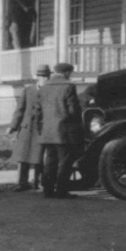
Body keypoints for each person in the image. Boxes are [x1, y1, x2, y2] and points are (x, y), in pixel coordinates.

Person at [32, 61, 84, 198]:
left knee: (50, 161)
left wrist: (40, 129)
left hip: (47, 131)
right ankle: (62, 191)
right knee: (65, 161)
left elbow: (37, 112)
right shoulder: (69, 86)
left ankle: (48, 190)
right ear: (67, 73)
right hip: (64, 131)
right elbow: (73, 110)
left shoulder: (44, 87)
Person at [8, 65, 50, 191]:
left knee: (39, 157)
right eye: (41, 76)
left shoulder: (50, 90)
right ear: (37, 77)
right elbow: (20, 109)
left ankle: (39, 182)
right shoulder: (28, 90)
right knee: (23, 156)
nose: (44, 79)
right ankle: (22, 183)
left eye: (46, 76)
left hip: (42, 127)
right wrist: (13, 126)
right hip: (27, 127)